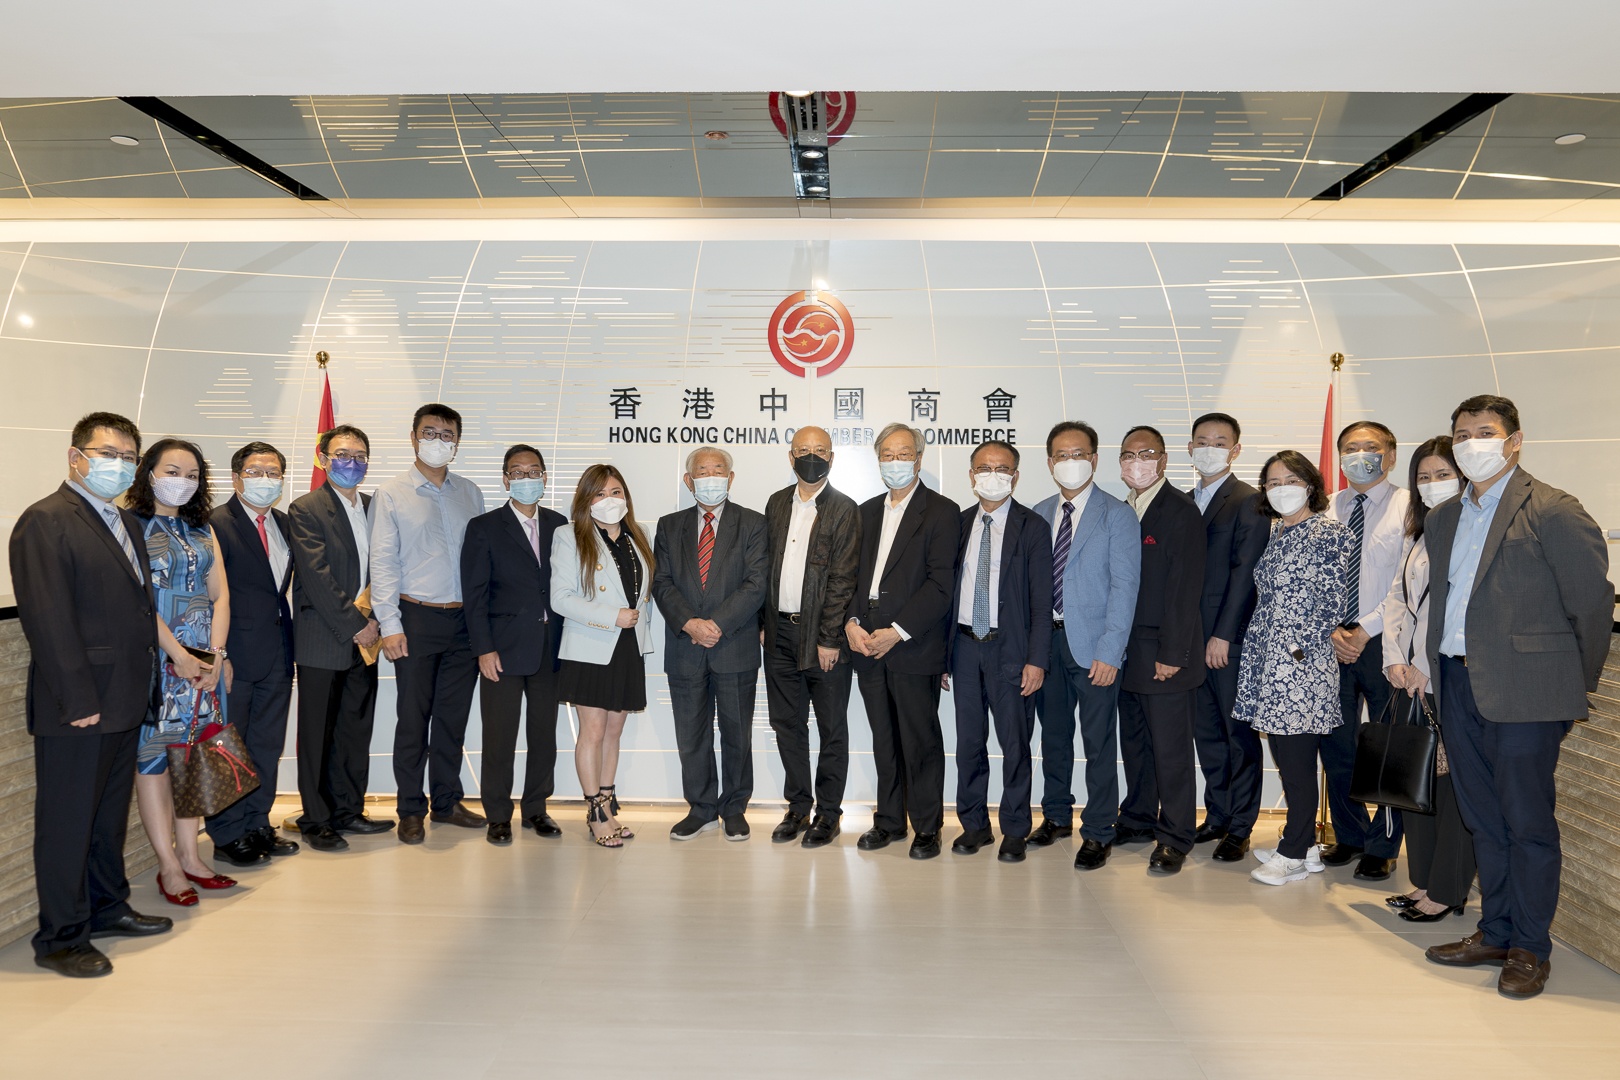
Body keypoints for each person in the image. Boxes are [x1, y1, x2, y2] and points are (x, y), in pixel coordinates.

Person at [1423, 395, 1612, 999]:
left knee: (1527, 823)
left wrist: (1570, 686)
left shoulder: (1554, 509)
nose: (1471, 443)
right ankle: (1496, 931)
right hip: (1456, 682)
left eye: (1484, 432)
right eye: (1461, 434)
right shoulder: (1443, 517)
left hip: (1528, 692)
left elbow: (1591, 604)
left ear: (1515, 440)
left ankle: (1531, 947)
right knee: (1484, 821)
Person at [10, 412, 173, 977]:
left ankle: (107, 907)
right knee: (68, 822)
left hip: (126, 696)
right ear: (76, 456)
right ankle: (60, 938)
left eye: (128, 457)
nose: (119, 465)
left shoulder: (123, 520)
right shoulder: (45, 520)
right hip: (80, 705)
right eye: (108, 454)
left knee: (106, 819)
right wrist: (78, 700)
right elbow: (48, 619)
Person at [126, 439, 237, 907]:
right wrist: (179, 655)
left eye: (192, 475)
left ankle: (192, 856)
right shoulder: (129, 526)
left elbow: (220, 596)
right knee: (154, 761)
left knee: (193, 754)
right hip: (157, 660)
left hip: (202, 663)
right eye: (173, 471)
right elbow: (138, 600)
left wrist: (215, 655)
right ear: (149, 472)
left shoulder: (202, 528)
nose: (182, 482)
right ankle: (168, 865)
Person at [371, 403, 488, 844]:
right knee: (413, 718)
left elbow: (480, 560)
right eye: (430, 432)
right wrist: (389, 624)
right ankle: (409, 808)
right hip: (415, 619)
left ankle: (446, 801)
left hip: (464, 621)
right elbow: (382, 563)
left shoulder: (470, 493)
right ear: (413, 437)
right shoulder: (391, 494)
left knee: (452, 719)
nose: (438, 441)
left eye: (447, 435)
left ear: (457, 443)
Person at [1237, 451, 1353, 886]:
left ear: (1310, 485)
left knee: (1298, 762)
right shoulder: (1277, 532)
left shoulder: (1329, 532)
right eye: (1272, 482)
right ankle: (1304, 846)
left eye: (1291, 480)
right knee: (1286, 759)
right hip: (1269, 663)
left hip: (1300, 667)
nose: (1281, 489)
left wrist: (1295, 653)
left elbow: (1330, 603)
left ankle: (1292, 854)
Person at [1030, 421, 1140, 871]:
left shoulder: (1117, 514)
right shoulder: (1038, 513)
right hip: (1048, 645)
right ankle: (1056, 815)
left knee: (1098, 743)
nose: (1070, 462)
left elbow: (1125, 588)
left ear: (1094, 460)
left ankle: (1098, 830)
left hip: (1095, 648)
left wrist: (1111, 652)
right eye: (1061, 455)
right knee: (1053, 737)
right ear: (1050, 462)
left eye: (1078, 454)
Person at [846, 422, 958, 860]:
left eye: (903, 454)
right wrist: (851, 622)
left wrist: (897, 632)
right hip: (867, 643)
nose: (895, 462)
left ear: (919, 458)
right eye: (887, 455)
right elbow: (851, 577)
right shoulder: (866, 511)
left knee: (920, 740)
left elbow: (941, 585)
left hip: (912, 643)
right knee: (884, 740)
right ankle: (889, 821)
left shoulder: (942, 511)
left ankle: (927, 827)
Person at [1378, 437, 1474, 922]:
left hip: (1448, 678)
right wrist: (1394, 658)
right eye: (1424, 477)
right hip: (1409, 678)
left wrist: (1424, 665)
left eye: (1443, 475)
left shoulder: (1472, 531)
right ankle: (1424, 881)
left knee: (1453, 789)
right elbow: (1398, 599)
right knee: (1416, 781)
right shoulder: (1419, 533)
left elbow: (1459, 611)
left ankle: (1448, 889)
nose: (1432, 484)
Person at [653, 447, 770, 841]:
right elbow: (661, 583)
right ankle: (701, 809)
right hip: (685, 647)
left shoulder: (753, 523)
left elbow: (756, 583)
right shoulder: (669, 526)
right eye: (701, 471)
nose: (710, 476)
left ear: (731, 478)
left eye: (718, 469)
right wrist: (690, 623)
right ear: (689, 480)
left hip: (734, 645)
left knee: (737, 734)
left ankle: (734, 808)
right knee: (691, 736)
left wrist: (717, 624)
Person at [945, 440, 1052, 863]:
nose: (993, 475)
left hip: (1012, 650)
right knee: (969, 743)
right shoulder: (958, 523)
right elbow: (946, 594)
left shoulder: (1032, 526)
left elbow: (1042, 602)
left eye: (1002, 468)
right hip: (964, 648)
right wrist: (943, 657)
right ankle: (974, 825)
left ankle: (1015, 828)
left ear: (1016, 476)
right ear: (971, 475)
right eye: (984, 468)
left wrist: (1037, 660)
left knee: (1015, 744)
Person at [288, 424, 390, 851]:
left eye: (360, 456)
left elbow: (386, 568)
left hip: (368, 639)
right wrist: (356, 624)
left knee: (354, 730)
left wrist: (379, 620)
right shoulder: (306, 508)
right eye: (343, 454)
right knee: (318, 734)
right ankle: (316, 819)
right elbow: (316, 577)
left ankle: (349, 811)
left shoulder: (374, 507)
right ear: (323, 458)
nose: (352, 463)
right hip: (325, 637)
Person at [460, 444, 568, 845]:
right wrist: (483, 649)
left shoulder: (560, 525)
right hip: (501, 651)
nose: (527, 478)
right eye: (518, 472)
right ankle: (498, 815)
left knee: (544, 735)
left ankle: (536, 808)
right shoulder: (484, 527)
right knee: (499, 737)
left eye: (534, 471)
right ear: (506, 480)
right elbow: (474, 596)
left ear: (545, 477)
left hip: (549, 647)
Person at [1114, 425, 1207, 875]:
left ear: (1165, 460)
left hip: (1163, 653)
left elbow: (1184, 589)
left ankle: (1175, 835)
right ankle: (1137, 818)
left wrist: (1172, 653)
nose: (1138, 462)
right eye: (1129, 455)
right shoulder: (1121, 509)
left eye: (1147, 453)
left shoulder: (1180, 509)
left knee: (1171, 752)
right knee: (1136, 744)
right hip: (1124, 652)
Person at [762, 426, 860, 849]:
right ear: (791, 457)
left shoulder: (844, 508)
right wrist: (763, 623)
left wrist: (829, 638)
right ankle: (798, 807)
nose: (811, 457)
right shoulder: (776, 503)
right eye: (803, 450)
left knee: (831, 728)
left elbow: (842, 578)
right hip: (778, 634)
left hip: (823, 638)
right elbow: (764, 567)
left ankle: (829, 813)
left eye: (820, 450)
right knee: (787, 724)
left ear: (832, 458)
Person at [1323, 421, 1411, 881]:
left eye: (1370, 447)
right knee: (1337, 747)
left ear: (1390, 455)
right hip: (1331, 644)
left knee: (1390, 748)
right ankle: (1351, 835)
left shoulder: (1409, 506)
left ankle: (1384, 844)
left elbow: (1405, 581)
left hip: (1385, 644)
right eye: (1350, 448)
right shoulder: (1326, 506)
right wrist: (1334, 631)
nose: (1360, 455)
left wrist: (1364, 629)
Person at [205, 441, 300, 867]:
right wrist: (218, 653)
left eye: (274, 473)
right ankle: (227, 834)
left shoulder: (283, 523)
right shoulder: (215, 523)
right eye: (256, 472)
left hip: (278, 653)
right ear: (236, 477)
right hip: (235, 657)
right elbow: (207, 597)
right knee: (228, 745)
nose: (266, 480)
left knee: (266, 744)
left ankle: (258, 822)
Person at [551, 464, 655, 848]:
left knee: (614, 731)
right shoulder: (570, 536)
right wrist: (613, 616)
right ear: (585, 499)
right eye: (599, 493)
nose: (608, 500)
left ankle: (609, 805)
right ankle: (595, 812)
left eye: (615, 492)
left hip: (628, 645)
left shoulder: (638, 535)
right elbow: (561, 598)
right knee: (592, 732)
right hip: (590, 646)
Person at [1186, 412, 1269, 863]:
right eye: (1202, 441)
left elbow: (1244, 575)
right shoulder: (1183, 501)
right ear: (1190, 448)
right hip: (1188, 641)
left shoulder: (1249, 501)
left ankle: (1241, 826)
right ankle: (1217, 814)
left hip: (1226, 641)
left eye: (1220, 442)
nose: (1210, 449)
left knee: (1238, 736)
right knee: (1207, 734)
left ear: (1236, 450)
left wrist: (1222, 635)